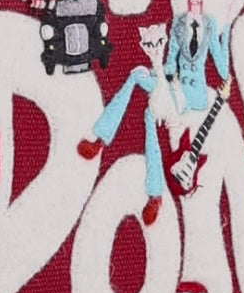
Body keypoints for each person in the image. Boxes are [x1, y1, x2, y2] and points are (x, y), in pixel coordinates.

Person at [76, 24, 181, 225]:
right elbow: (167, 67)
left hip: (177, 93)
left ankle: (155, 194)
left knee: (150, 120)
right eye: (149, 45)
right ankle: (101, 140)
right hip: (163, 85)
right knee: (140, 90)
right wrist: (149, 70)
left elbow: (178, 69)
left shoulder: (196, 31)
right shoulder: (177, 28)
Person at [164, 0, 233, 113]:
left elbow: (223, 68)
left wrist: (228, 25)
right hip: (178, 96)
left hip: (199, 96)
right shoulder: (179, 22)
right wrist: (165, 76)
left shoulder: (209, 24)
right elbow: (171, 59)